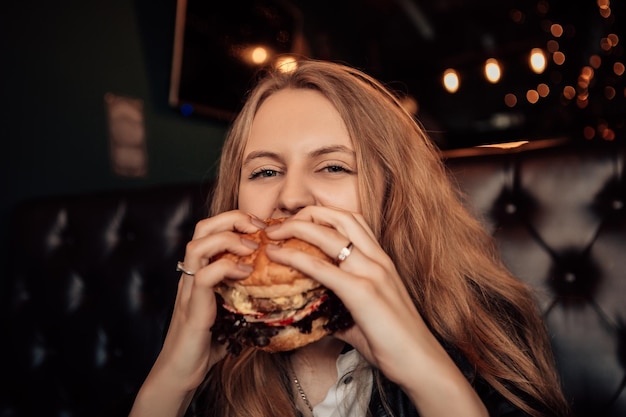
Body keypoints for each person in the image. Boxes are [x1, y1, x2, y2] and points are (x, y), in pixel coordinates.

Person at [129, 59, 570, 417]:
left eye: (333, 166)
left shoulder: (489, 324)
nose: (292, 196)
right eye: (265, 171)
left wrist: (423, 369)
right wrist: (170, 381)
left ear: (391, 192)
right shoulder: (203, 340)